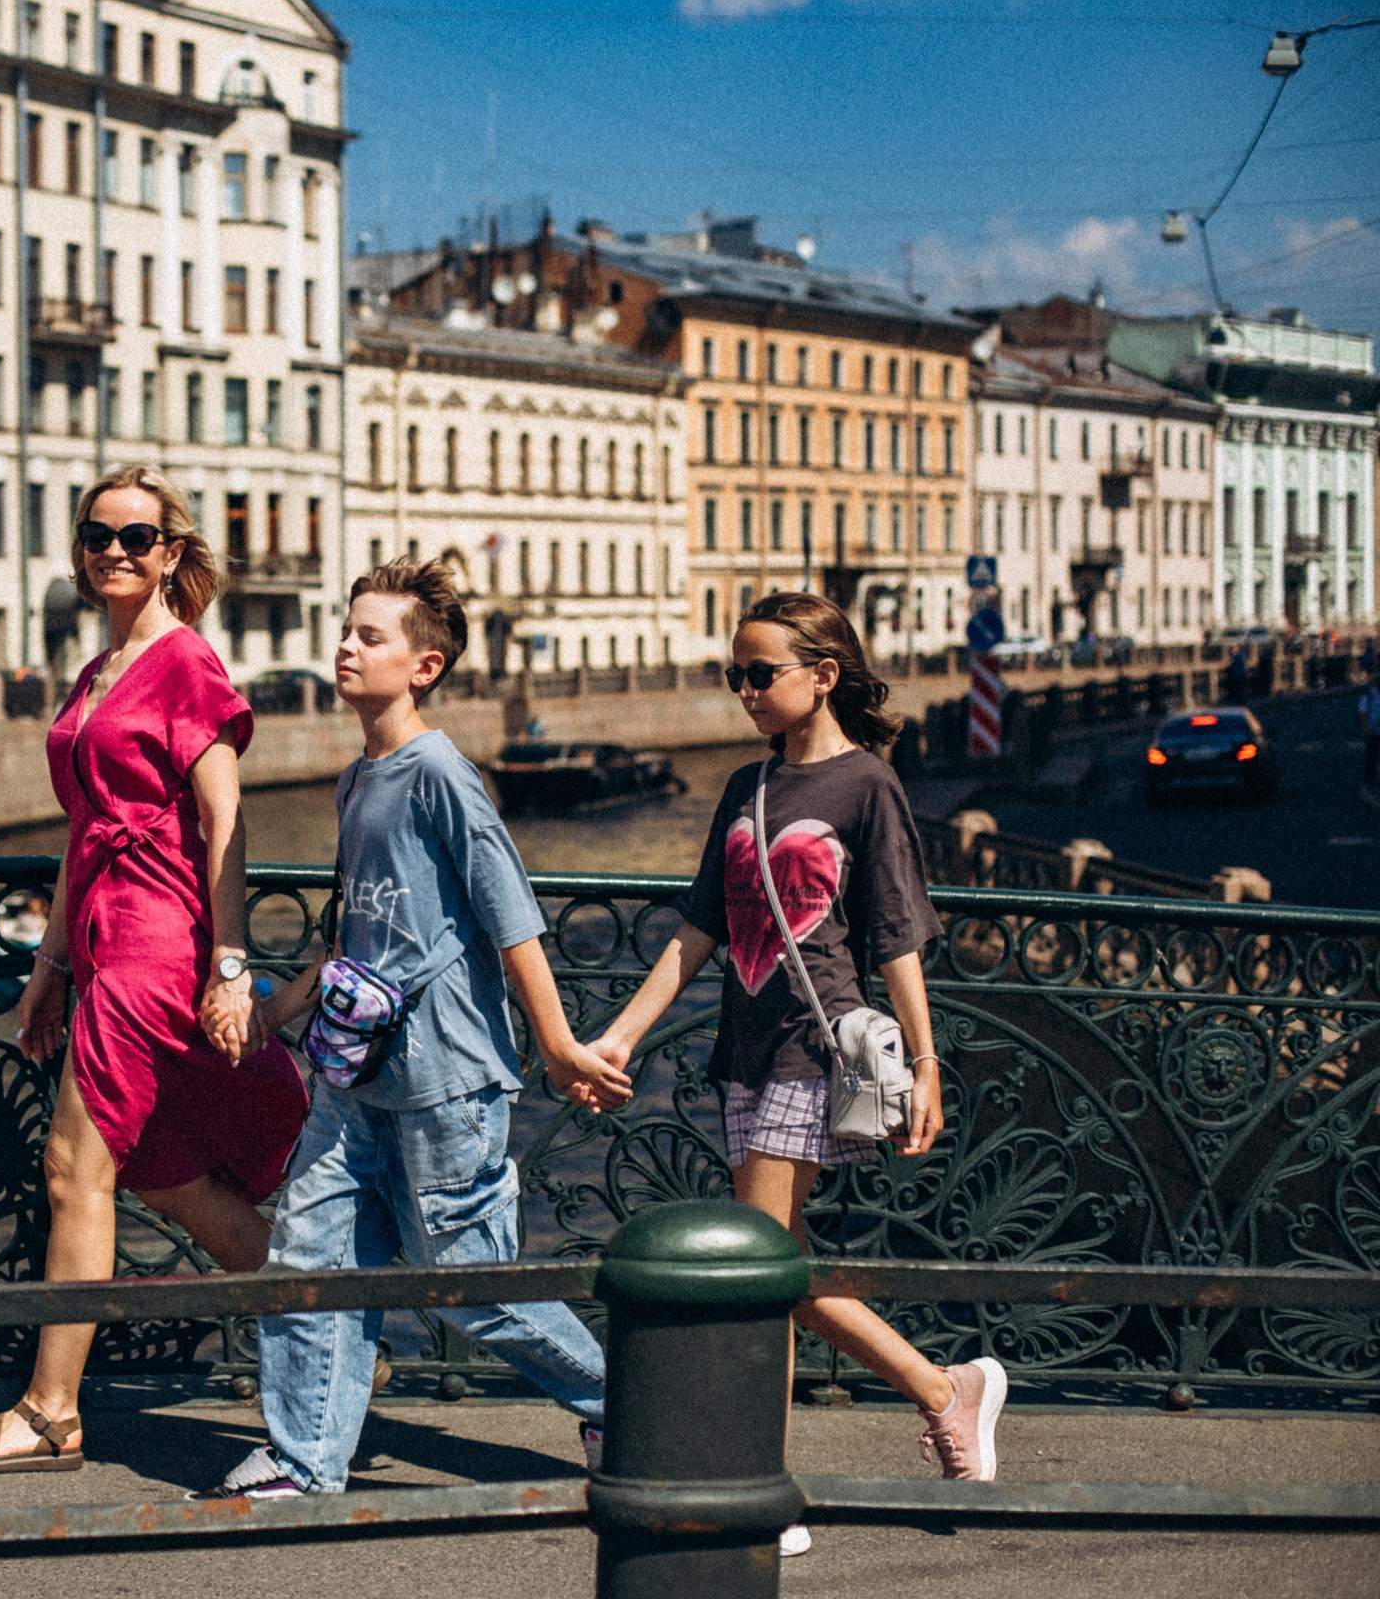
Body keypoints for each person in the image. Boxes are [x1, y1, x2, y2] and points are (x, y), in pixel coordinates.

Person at [574, 591, 1005, 1557]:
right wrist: (624, 1038)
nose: (744, 691)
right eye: (734, 675)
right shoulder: (744, 788)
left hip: (817, 1050)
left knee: (758, 1265)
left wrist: (927, 1060)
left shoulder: (867, 787)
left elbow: (896, 936)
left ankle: (764, 1484)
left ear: (824, 674)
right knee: (774, 1265)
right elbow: (699, 934)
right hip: (744, 1049)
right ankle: (945, 1389)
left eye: (760, 673)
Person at [203, 557, 634, 1501]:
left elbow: (510, 914)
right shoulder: (360, 778)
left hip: (446, 1074)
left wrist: (559, 1046)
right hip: (354, 1074)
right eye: (346, 630)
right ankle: (305, 1459)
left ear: (425, 665)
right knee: (310, 1254)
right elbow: (359, 927)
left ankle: (625, 1402)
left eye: (370, 636)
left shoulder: (441, 773)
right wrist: (283, 1008)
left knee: (464, 1276)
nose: (346, 647)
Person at [0, 466, 309, 1473]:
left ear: (173, 553)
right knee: (168, 1172)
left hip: (157, 946)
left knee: (73, 1167)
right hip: (102, 948)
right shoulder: (97, 673)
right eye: (98, 533)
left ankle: (52, 1408)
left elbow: (226, 825)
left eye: (137, 537)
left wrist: (231, 968)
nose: (113, 551)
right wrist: (50, 961)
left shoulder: (188, 665)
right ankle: (336, 1330)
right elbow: (81, 832)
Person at [1360, 675, 1380, 788]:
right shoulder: (1369, 696)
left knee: (1372, 753)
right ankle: (1369, 778)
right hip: (1372, 728)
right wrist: (1366, 726)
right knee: (1371, 754)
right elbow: (1363, 712)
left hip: (1374, 727)